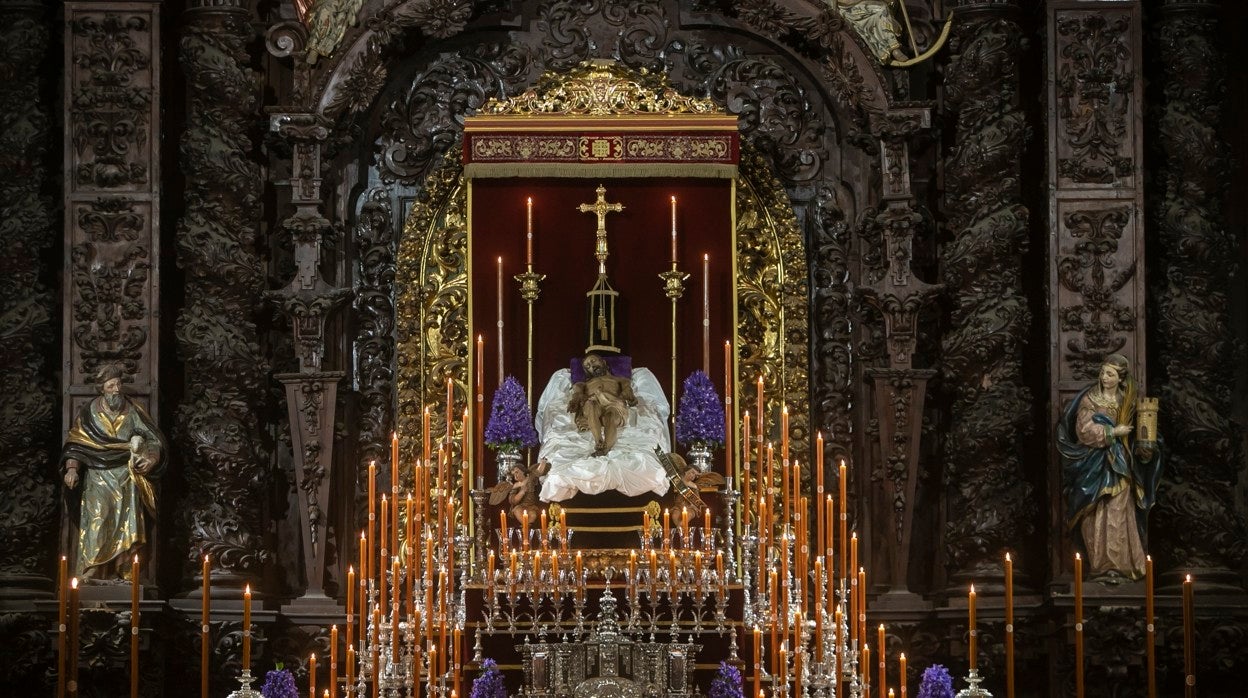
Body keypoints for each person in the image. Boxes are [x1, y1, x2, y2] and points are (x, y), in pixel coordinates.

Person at [1059, 354, 1163, 581]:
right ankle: (1099, 566)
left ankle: (1118, 566)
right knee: (1094, 513)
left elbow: (1140, 435)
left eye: (1110, 374)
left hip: (1120, 466)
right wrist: (1112, 432)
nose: (1104, 377)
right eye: (1103, 372)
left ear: (1120, 378)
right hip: (1093, 463)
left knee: (1117, 512)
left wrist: (1144, 450)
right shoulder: (1091, 399)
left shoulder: (1128, 401)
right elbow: (1083, 430)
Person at [60, 365, 165, 581]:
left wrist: (151, 459)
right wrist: (72, 468)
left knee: (127, 525)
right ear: (102, 389)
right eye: (111, 386)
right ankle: (92, 570)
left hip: (126, 476)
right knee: (98, 521)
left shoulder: (133, 411)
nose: (116, 389)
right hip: (97, 477)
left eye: (118, 384)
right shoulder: (89, 412)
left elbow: (153, 439)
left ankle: (125, 570)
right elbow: (76, 444)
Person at [568, 353, 638, 457]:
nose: (592, 366)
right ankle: (598, 442)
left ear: (603, 362)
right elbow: (577, 394)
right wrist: (575, 402)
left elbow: (627, 391)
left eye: (593, 361)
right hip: (593, 404)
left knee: (610, 416)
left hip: (613, 404)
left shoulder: (620, 380)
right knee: (591, 404)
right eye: (588, 366)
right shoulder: (583, 384)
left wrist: (629, 397)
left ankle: (606, 448)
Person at [837, 0, 910, 63]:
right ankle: (893, 48)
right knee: (882, 10)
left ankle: (893, 43)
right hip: (849, 9)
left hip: (864, 4)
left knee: (888, 6)